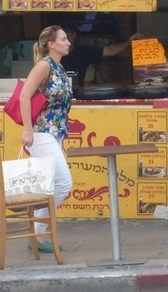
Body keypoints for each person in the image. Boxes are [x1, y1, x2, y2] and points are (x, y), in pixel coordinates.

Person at [19, 25, 73, 253]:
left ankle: (38, 231)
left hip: (55, 133)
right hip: (42, 133)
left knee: (51, 184)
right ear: (51, 44)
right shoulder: (44, 65)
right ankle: (39, 229)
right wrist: (28, 130)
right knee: (64, 183)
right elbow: (24, 95)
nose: (68, 42)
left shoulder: (58, 67)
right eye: (63, 38)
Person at [61, 27, 144, 87]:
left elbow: (109, 50)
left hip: (77, 93)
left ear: (74, 35)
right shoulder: (52, 55)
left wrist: (128, 43)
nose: (65, 41)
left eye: (67, 36)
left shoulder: (82, 51)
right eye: (62, 38)